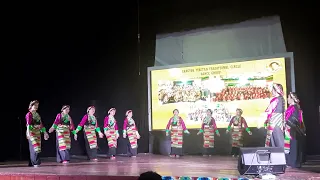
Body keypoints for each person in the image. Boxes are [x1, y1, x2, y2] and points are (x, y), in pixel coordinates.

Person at [284, 92, 306, 168]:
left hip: (292, 131)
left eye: (288, 98)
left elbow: (294, 119)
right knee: (290, 147)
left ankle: (292, 163)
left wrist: (286, 123)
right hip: (290, 130)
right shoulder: (292, 107)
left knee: (293, 147)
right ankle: (291, 163)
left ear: (292, 99)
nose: (287, 99)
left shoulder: (294, 108)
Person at [26, 100, 49, 167]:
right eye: (35, 105)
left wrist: (45, 132)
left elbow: (41, 124)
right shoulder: (29, 114)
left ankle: (32, 162)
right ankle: (35, 162)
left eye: (37, 105)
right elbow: (28, 124)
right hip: (31, 132)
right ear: (31, 106)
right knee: (34, 147)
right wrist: (28, 133)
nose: (36, 107)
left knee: (37, 147)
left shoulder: (37, 114)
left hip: (37, 133)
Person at [264, 83, 285, 148]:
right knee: (275, 142)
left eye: (273, 89)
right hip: (275, 122)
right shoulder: (280, 99)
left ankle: (280, 157)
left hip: (275, 123)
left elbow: (270, 111)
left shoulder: (277, 99)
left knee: (277, 142)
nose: (271, 91)